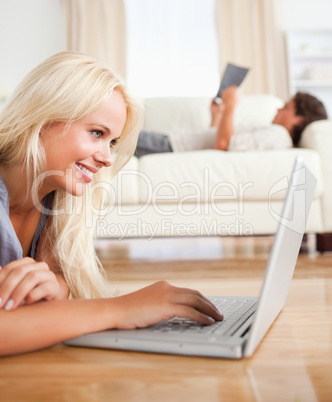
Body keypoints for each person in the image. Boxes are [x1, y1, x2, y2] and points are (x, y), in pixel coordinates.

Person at [0, 52, 223, 357]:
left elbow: (58, 282)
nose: (106, 157)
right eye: (96, 133)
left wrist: (56, 286)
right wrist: (119, 309)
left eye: (112, 143)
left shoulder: (57, 201)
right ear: (42, 119)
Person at [135, 86, 328, 157]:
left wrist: (231, 105)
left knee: (117, 134)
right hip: (171, 143)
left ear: (298, 119)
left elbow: (223, 144)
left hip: (169, 145)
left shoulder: (279, 135)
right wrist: (217, 116)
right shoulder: (274, 134)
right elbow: (218, 139)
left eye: (286, 107)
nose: (278, 109)